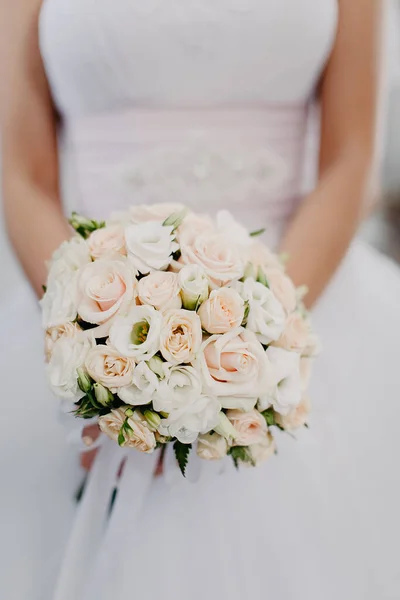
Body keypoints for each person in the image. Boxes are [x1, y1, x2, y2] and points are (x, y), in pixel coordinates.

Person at [1, 0, 400, 598]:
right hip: (77, 299)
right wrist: (95, 347)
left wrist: (257, 345)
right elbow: (20, 170)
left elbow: (350, 158)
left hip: (303, 296)